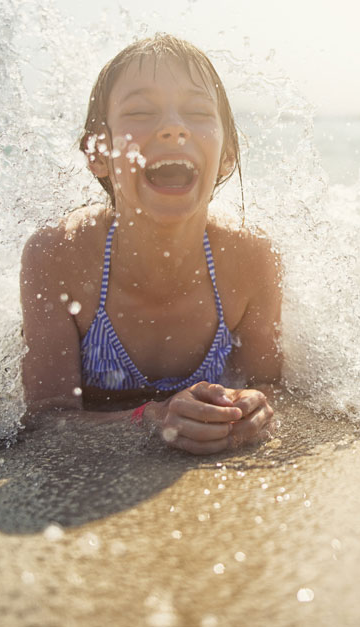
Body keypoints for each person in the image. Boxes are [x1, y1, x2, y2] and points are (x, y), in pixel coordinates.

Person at [20, 34, 280, 454]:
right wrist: (150, 418)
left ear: (228, 153)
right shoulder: (58, 255)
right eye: (141, 111)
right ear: (97, 152)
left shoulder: (250, 258)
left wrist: (255, 410)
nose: (173, 127)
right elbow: (46, 422)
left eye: (197, 111)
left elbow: (270, 384)